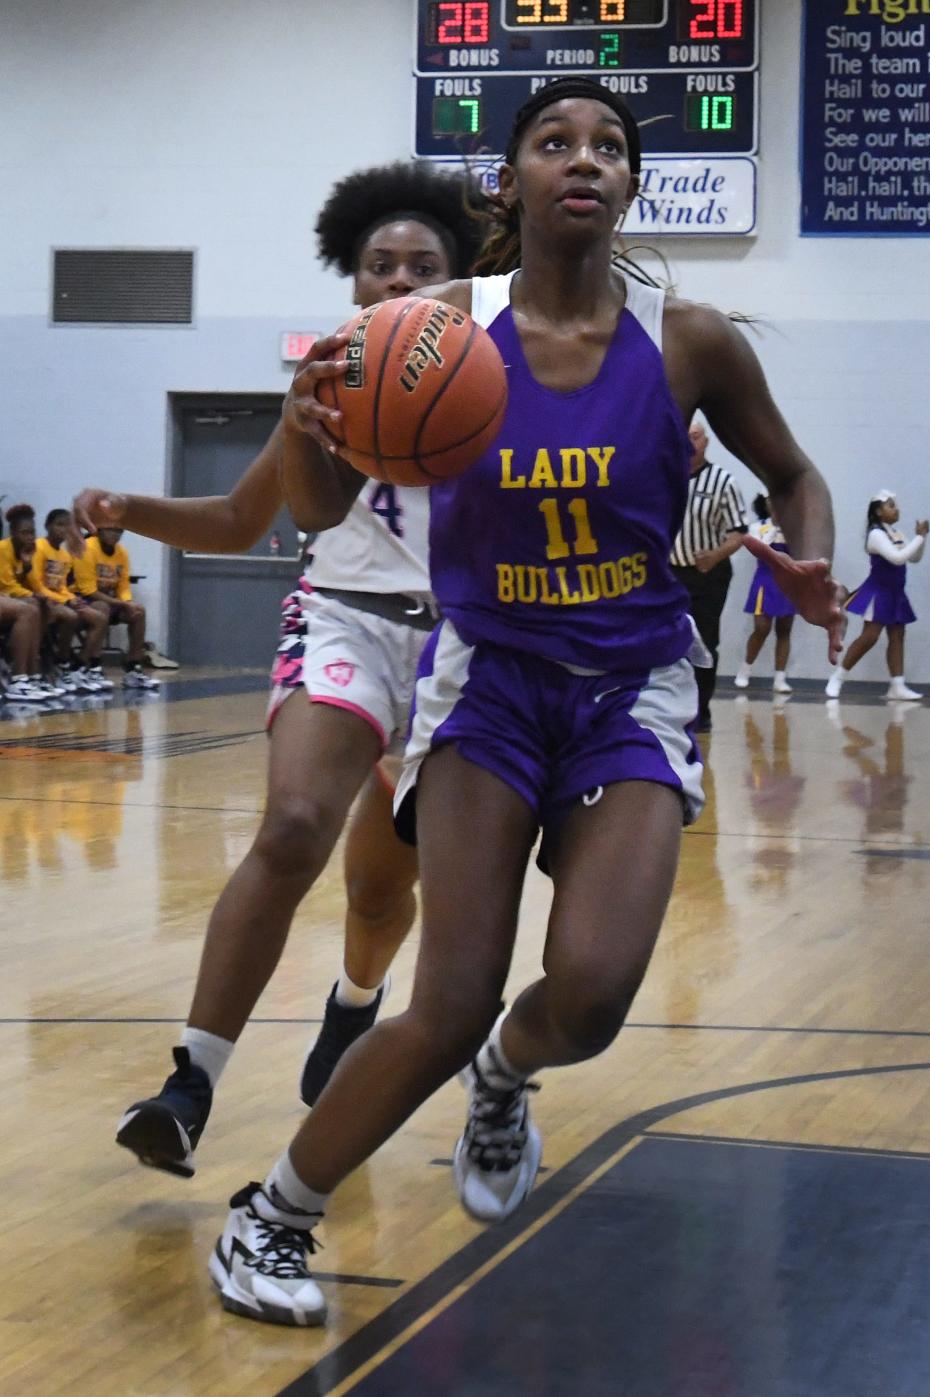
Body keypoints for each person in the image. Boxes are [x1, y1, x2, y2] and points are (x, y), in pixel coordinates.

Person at [207, 78, 844, 1328]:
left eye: (610, 144)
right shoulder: (435, 328)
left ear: (631, 186)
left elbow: (796, 472)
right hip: (489, 681)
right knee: (447, 996)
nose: (585, 159)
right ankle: (270, 1215)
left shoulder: (693, 338)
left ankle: (511, 1072)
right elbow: (323, 512)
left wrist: (812, 554)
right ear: (511, 180)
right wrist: (304, 428)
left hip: (633, 684)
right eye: (555, 141)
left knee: (595, 992)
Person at [72, 162, 486, 1177]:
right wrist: (134, 507)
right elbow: (242, 519)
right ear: (351, 283)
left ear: (459, 282)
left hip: (466, 643)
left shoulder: (501, 373)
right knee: (295, 822)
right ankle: (190, 1082)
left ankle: (354, 1005)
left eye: (421, 266)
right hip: (343, 615)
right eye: (378, 266)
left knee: (384, 887)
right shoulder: (326, 383)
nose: (397, 281)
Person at [669, 420, 748, 731]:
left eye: (696, 437)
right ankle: (672, 711)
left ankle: (701, 711)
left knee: (704, 644)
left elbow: (739, 533)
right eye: (685, 437)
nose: (690, 443)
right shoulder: (664, 476)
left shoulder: (723, 481)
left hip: (708, 576)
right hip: (669, 574)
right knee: (668, 645)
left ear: (707, 441)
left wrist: (715, 555)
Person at [825, 489, 928, 702]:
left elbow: (914, 557)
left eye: (896, 505)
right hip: (878, 591)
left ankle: (897, 686)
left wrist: (922, 538)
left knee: (898, 635)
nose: (896, 508)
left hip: (896, 592)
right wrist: (918, 537)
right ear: (879, 511)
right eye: (891, 505)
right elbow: (897, 559)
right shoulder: (875, 535)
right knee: (870, 637)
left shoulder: (897, 533)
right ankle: (838, 677)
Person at [30, 508, 111, 693]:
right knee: (71, 616)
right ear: (47, 526)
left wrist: (72, 599)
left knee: (99, 618)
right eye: (59, 525)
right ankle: (61, 661)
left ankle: (79, 666)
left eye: (68, 526)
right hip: (42, 599)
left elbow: (61, 587)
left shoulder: (65, 554)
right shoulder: (39, 547)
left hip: (60, 599)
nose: (63, 530)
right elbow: (37, 585)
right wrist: (66, 601)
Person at [72, 526, 160, 690]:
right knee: (102, 608)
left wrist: (128, 602)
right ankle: (93, 666)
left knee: (138, 611)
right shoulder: (87, 548)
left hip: (111, 601)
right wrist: (122, 603)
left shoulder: (122, 552)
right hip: (81, 600)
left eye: (119, 531)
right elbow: (88, 590)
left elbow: (123, 586)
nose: (115, 534)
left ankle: (133, 667)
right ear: (99, 530)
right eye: (111, 530)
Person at [734, 494, 797, 694]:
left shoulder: (794, 527)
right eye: (771, 499)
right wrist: (776, 526)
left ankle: (780, 678)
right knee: (762, 627)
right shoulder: (757, 526)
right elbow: (761, 549)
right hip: (765, 580)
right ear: (764, 503)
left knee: (785, 629)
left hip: (788, 582)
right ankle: (745, 669)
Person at [0, 507, 52, 703]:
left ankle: (32, 675)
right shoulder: (3, 549)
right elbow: (8, 586)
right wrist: (33, 595)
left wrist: (28, 565)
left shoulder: (25, 551)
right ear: (13, 532)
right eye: (25, 532)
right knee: (29, 609)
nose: (30, 537)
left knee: (41, 606)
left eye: (32, 532)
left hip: (7, 597)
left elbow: (32, 584)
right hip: (5, 595)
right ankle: (18, 679)